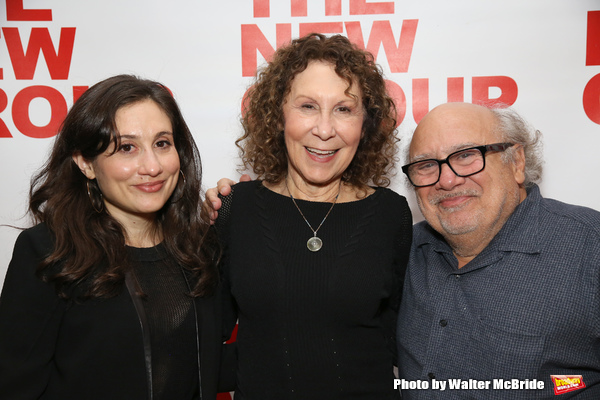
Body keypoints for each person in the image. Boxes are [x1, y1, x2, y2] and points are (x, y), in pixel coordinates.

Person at [0, 75, 230, 399]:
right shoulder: (50, 252)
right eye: (126, 148)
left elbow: (204, 364)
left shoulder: (198, 250)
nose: (151, 166)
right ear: (85, 162)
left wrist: (252, 212)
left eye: (162, 143)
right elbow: (15, 384)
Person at [209, 33, 412, 399]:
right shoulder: (232, 208)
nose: (324, 129)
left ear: (365, 124)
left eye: (344, 109)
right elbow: (202, 339)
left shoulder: (391, 214)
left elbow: (400, 339)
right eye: (307, 106)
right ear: (278, 116)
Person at [397, 102, 600, 398]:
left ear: (516, 162)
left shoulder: (590, 247)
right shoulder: (403, 251)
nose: (447, 180)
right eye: (426, 165)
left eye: (466, 155)